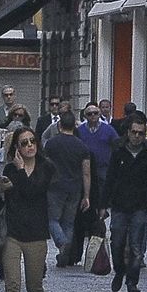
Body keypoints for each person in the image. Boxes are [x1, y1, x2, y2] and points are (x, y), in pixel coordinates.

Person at [0, 128, 55, 292]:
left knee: (34, 286)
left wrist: (20, 173)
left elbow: (34, 191)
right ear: (17, 149)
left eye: (32, 141)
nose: (29, 145)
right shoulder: (10, 169)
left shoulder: (46, 167)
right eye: (23, 143)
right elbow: (5, 199)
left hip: (36, 235)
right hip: (13, 233)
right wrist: (2, 186)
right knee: (12, 285)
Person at [103, 116, 147, 292]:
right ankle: (119, 271)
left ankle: (132, 280)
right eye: (134, 132)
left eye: (141, 133)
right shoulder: (119, 151)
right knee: (117, 242)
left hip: (139, 206)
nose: (137, 136)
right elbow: (110, 179)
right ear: (128, 132)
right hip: (120, 204)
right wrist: (102, 205)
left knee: (136, 246)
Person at [43, 109, 91, 268]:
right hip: (75, 186)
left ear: (59, 124)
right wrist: (87, 195)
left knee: (52, 219)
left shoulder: (52, 143)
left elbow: (45, 165)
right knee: (69, 222)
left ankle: (62, 244)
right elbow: (86, 172)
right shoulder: (82, 146)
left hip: (55, 186)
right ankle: (65, 252)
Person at [76, 102, 119, 197]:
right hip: (84, 167)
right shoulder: (79, 130)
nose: (93, 115)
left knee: (103, 193)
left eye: (95, 113)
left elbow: (117, 146)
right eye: (89, 114)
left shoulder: (109, 129)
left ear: (99, 114)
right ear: (85, 116)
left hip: (103, 167)